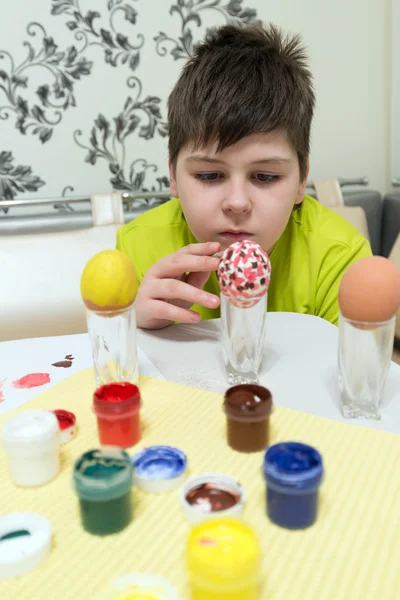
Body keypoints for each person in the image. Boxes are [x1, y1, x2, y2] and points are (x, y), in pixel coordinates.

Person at [117, 22, 371, 330]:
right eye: (209, 175)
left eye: (265, 177)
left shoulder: (339, 257)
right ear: (173, 176)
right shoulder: (139, 246)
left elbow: (355, 372)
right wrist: (136, 327)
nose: (237, 203)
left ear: (302, 180)